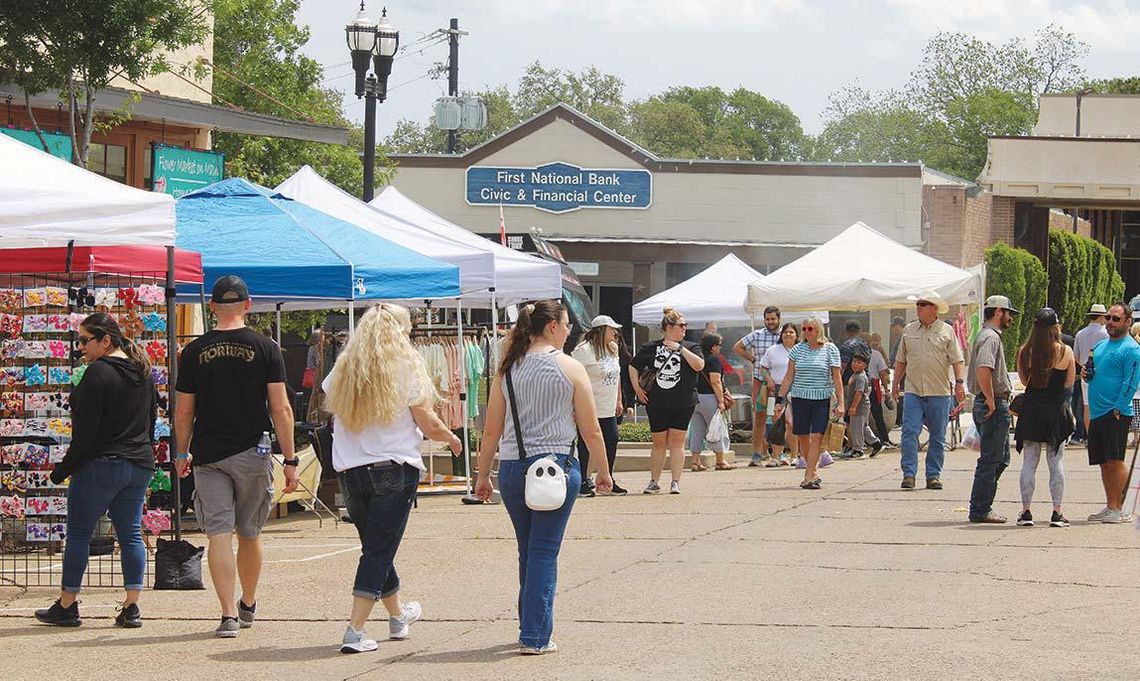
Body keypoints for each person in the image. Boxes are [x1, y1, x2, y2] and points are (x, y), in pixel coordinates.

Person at [473, 300, 612, 655]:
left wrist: (482, 476)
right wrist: (604, 471)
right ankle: (535, 635)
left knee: (529, 550)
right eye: (566, 325)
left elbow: (490, 431)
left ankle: (528, 623)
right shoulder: (570, 367)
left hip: (513, 468)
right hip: (556, 468)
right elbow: (591, 430)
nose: (569, 332)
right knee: (544, 552)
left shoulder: (507, 369)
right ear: (552, 327)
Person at [320, 304, 461, 653]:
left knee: (376, 547)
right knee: (378, 551)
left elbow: (328, 400)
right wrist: (451, 438)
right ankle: (354, 630)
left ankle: (398, 616)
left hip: (351, 473)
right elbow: (426, 420)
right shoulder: (407, 365)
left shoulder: (345, 366)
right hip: (393, 469)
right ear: (400, 331)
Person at [174, 275, 299, 638]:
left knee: (217, 535)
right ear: (248, 304)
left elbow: (184, 412)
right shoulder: (266, 348)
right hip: (252, 451)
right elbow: (281, 409)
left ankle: (227, 614)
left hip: (209, 455)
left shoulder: (194, 351)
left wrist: (182, 451)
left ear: (211, 307)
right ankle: (248, 601)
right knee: (249, 532)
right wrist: (290, 460)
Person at [34, 314, 156, 628]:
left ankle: (67, 604)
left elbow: (85, 434)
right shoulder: (143, 374)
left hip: (102, 464)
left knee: (78, 534)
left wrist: (63, 469)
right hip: (138, 463)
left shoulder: (97, 374)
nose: (80, 348)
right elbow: (151, 421)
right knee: (130, 534)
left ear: (105, 340)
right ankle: (131, 607)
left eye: (84, 340)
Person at [893, 291, 967, 490]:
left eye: (923, 304)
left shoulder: (946, 331)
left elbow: (957, 360)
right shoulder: (908, 330)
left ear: (934, 308)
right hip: (913, 391)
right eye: (918, 304)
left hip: (939, 392)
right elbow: (901, 360)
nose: (919, 308)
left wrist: (960, 383)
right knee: (909, 431)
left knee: (937, 435)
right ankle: (909, 474)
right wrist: (895, 384)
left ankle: (933, 475)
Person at [1013, 308, 1076, 528]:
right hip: (1055, 410)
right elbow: (1069, 383)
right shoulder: (1066, 351)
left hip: (1031, 410)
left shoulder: (1024, 351)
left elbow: (1023, 379)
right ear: (1056, 327)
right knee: (1056, 463)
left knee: (1029, 462)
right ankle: (1057, 513)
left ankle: (1026, 511)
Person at [631, 308, 705, 494]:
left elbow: (699, 365)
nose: (685, 328)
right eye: (681, 325)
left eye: (685, 325)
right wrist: (637, 389)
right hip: (657, 402)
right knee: (658, 442)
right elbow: (633, 366)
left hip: (683, 401)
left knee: (677, 442)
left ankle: (675, 481)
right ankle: (654, 481)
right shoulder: (650, 347)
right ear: (669, 327)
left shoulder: (691, 346)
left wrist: (680, 349)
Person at [1083, 302, 1140, 524]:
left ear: (1128, 322)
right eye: (1108, 318)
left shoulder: (1132, 349)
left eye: (1116, 319)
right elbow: (1091, 374)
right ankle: (1111, 506)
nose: (1110, 323)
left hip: (1116, 413)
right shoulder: (1099, 346)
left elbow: (1131, 381)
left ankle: (1127, 509)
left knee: (1116, 461)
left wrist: (1118, 407)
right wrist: (1087, 374)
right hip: (1097, 413)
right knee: (1104, 463)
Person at [773, 316, 843, 490]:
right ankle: (813, 471)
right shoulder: (797, 349)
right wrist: (779, 399)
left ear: (818, 329)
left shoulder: (830, 349)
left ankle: (808, 475)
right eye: (803, 329)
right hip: (800, 397)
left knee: (816, 436)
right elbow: (789, 376)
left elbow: (837, 377)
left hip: (821, 398)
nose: (806, 332)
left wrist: (841, 402)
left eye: (809, 329)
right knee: (802, 435)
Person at [967, 295, 1018, 523]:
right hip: (992, 402)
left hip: (994, 401)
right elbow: (984, 368)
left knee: (1000, 458)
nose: (1011, 318)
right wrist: (990, 399)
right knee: (991, 458)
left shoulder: (988, 335)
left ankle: (982, 504)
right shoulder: (990, 337)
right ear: (998, 312)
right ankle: (980, 508)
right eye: (1009, 313)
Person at [572, 315, 627, 496]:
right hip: (589, 405)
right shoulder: (583, 351)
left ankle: (607, 477)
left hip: (608, 405)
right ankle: (582, 481)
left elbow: (617, 375)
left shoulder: (612, 348)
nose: (615, 332)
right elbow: (574, 378)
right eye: (612, 329)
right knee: (586, 443)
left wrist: (619, 399)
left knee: (611, 439)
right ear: (601, 330)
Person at [734, 306, 781, 466]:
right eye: (767, 319)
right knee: (759, 416)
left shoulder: (785, 335)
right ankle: (757, 453)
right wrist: (752, 359)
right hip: (760, 381)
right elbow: (737, 347)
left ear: (778, 319)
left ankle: (777, 453)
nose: (770, 322)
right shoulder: (757, 335)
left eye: (773, 319)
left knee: (777, 417)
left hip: (779, 383)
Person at [687, 333, 735, 471]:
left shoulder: (695, 358)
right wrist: (720, 400)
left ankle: (695, 462)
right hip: (709, 397)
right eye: (719, 345)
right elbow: (715, 381)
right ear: (713, 346)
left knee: (697, 431)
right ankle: (720, 460)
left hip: (695, 398)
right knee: (717, 428)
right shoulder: (713, 360)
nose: (720, 348)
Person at [759, 323, 800, 466]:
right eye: (785, 332)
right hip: (776, 389)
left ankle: (794, 455)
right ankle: (777, 456)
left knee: (791, 423)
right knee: (776, 421)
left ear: (796, 335)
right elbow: (763, 367)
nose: (788, 335)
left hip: (796, 389)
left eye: (791, 332)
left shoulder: (801, 350)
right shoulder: (773, 350)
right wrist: (768, 380)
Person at [1072, 304, 1109, 444]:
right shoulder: (1105, 333)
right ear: (1101, 317)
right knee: (1103, 405)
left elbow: (1075, 355)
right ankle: (1102, 438)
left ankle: (1090, 437)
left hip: (1085, 372)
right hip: (1103, 372)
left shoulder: (1080, 333)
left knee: (1087, 406)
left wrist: (1083, 364)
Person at [842, 351, 882, 459]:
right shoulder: (855, 375)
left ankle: (858, 450)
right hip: (858, 406)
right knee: (863, 427)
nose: (855, 364)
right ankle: (876, 444)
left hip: (860, 407)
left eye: (859, 363)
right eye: (854, 362)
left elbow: (859, 393)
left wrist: (853, 407)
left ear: (865, 365)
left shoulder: (860, 377)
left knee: (856, 428)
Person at [868, 333, 894, 447]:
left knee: (860, 416)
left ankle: (864, 440)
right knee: (877, 414)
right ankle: (884, 438)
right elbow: (882, 373)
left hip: (865, 385)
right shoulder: (876, 354)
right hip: (873, 385)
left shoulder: (858, 354)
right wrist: (886, 389)